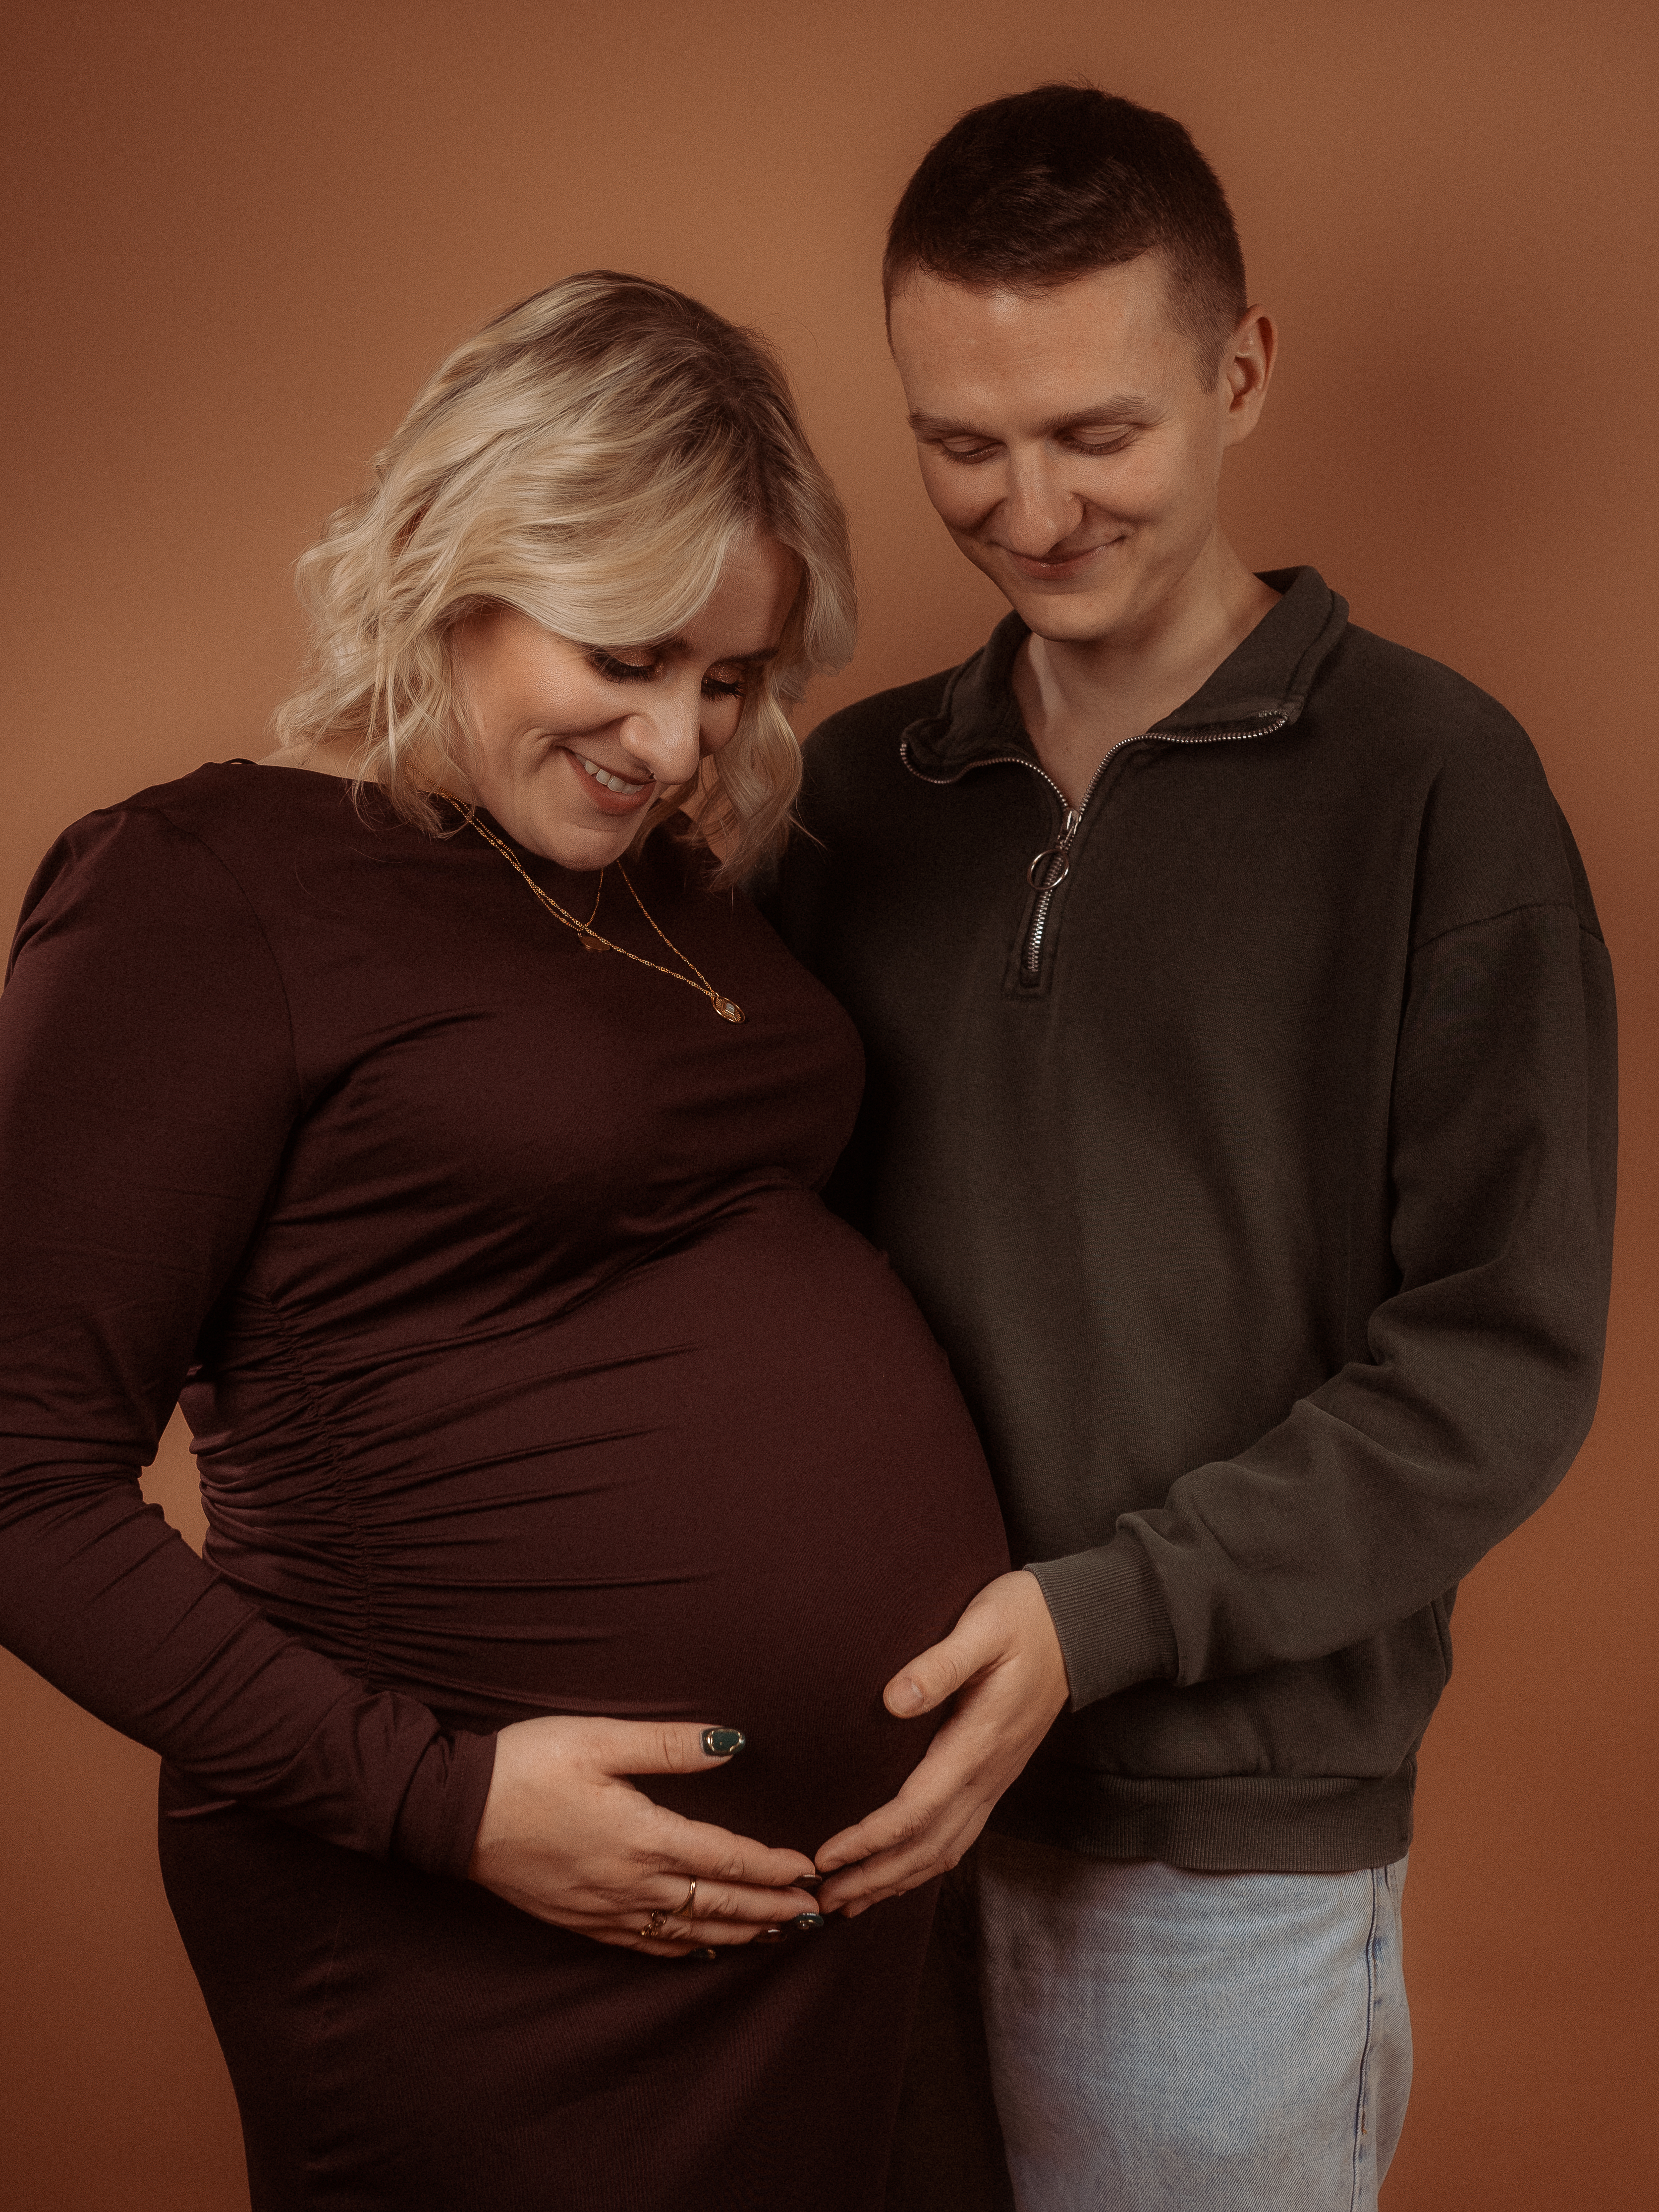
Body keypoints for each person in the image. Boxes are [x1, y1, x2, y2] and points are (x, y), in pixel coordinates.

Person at [0, 271, 1009, 2212]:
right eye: (626, 654)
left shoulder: (665, 890)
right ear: (455, 556)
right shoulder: (200, 893)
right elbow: (16, 1470)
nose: (675, 737)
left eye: (731, 679)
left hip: (812, 1930)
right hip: (471, 1935)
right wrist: (443, 1804)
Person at [767, 86, 1617, 2212]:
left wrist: (1107, 1614)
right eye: (962, 442)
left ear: (1241, 371)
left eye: (1097, 434)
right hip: (845, 1817)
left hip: (1219, 1852)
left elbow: (1498, 1361)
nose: (1030, 509)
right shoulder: (847, 795)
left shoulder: (1437, 784)